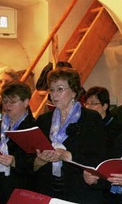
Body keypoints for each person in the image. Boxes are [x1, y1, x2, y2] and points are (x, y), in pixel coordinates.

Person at [33, 67, 107, 203]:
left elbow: (99, 158)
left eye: (60, 89)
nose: (54, 95)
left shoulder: (90, 118)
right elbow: (32, 160)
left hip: (79, 190)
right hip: (48, 188)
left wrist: (67, 155)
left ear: (73, 92)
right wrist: (40, 160)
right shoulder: (44, 120)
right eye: (52, 89)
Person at [84, 86, 122, 156]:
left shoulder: (115, 130)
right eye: (86, 104)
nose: (88, 107)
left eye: (93, 104)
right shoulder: (84, 126)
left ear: (105, 106)